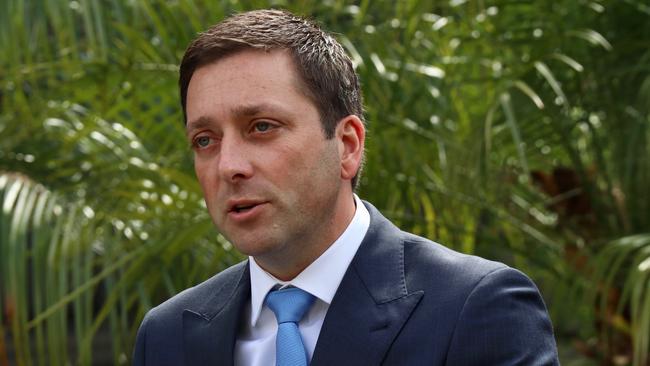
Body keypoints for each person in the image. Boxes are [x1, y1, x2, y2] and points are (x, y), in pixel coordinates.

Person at [133, 9, 559, 366]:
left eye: (261, 127)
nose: (229, 166)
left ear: (347, 145)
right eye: (204, 140)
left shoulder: (476, 309)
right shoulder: (168, 337)